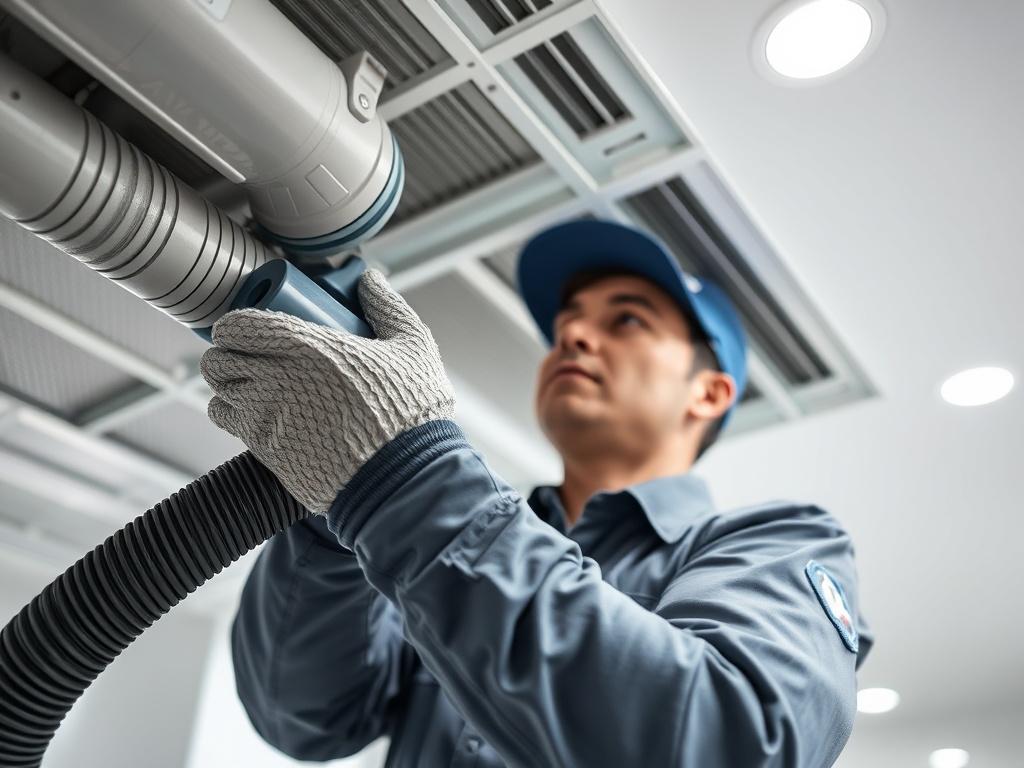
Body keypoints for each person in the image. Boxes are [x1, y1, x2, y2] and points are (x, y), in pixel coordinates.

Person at [201, 219, 872, 767]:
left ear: (710, 391)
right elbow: (304, 720)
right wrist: (337, 507)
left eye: (628, 320)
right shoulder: (446, 532)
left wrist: (402, 475)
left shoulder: (777, 543)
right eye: (569, 322)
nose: (573, 335)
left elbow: (729, 745)